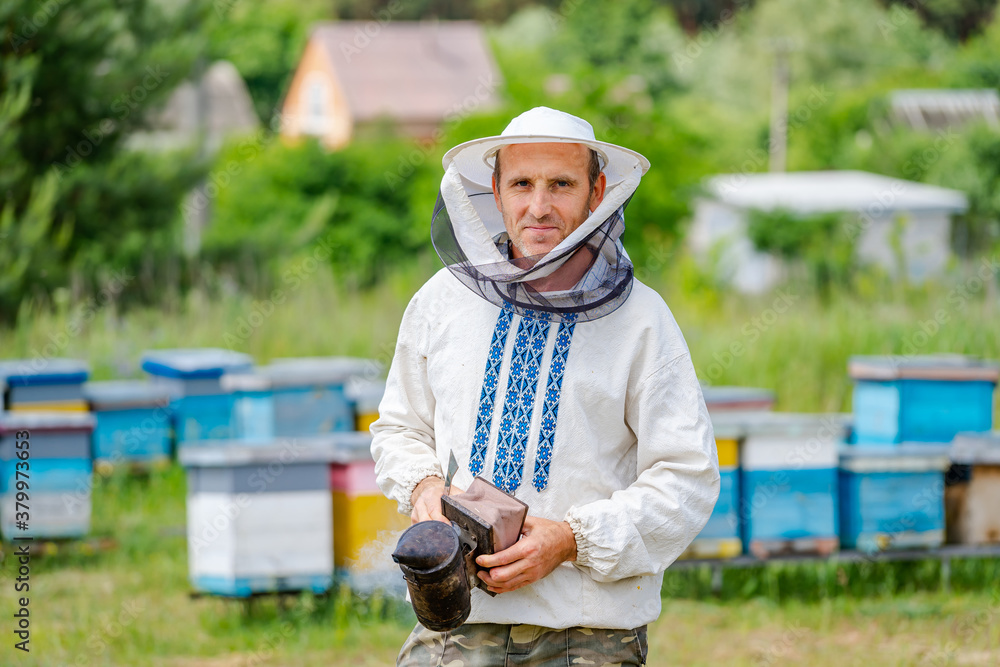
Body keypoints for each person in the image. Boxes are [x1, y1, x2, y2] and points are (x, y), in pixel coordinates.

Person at [371, 106, 719, 666]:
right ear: (495, 189)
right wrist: (423, 489)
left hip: (588, 638)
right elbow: (399, 427)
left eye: (561, 184)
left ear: (596, 191)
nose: (539, 206)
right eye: (522, 184)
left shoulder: (643, 322)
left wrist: (571, 540)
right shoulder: (441, 301)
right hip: (455, 633)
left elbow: (687, 479)